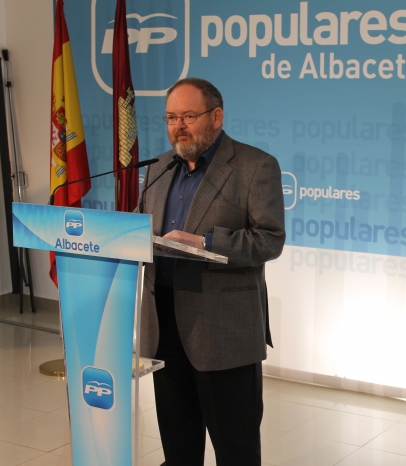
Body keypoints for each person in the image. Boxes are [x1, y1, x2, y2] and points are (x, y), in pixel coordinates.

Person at [138, 77, 285, 465]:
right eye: (171, 117)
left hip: (223, 330)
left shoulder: (254, 166)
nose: (178, 126)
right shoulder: (158, 168)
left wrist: (204, 242)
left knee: (235, 450)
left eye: (189, 116)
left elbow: (269, 240)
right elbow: (139, 230)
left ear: (216, 117)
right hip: (164, 324)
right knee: (178, 447)